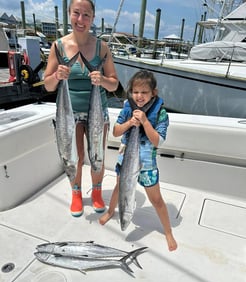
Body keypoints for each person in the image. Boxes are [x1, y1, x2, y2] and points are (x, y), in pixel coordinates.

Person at [44, 0, 119, 217]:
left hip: (97, 111)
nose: (81, 19)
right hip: (69, 112)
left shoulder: (101, 48)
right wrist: (57, 76)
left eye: (86, 15)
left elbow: (114, 84)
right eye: (77, 13)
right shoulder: (57, 47)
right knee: (73, 155)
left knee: (97, 154)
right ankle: (76, 193)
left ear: (93, 18)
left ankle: (96, 193)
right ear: (69, 14)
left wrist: (102, 79)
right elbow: (48, 85)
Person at [99, 70, 177, 252]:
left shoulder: (161, 114)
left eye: (144, 92)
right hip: (126, 160)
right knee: (119, 187)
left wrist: (144, 122)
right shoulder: (128, 109)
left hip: (147, 165)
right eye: (135, 92)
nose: (139, 96)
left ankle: (168, 231)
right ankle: (111, 212)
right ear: (131, 92)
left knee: (156, 200)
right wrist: (130, 123)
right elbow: (116, 131)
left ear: (153, 93)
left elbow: (158, 140)